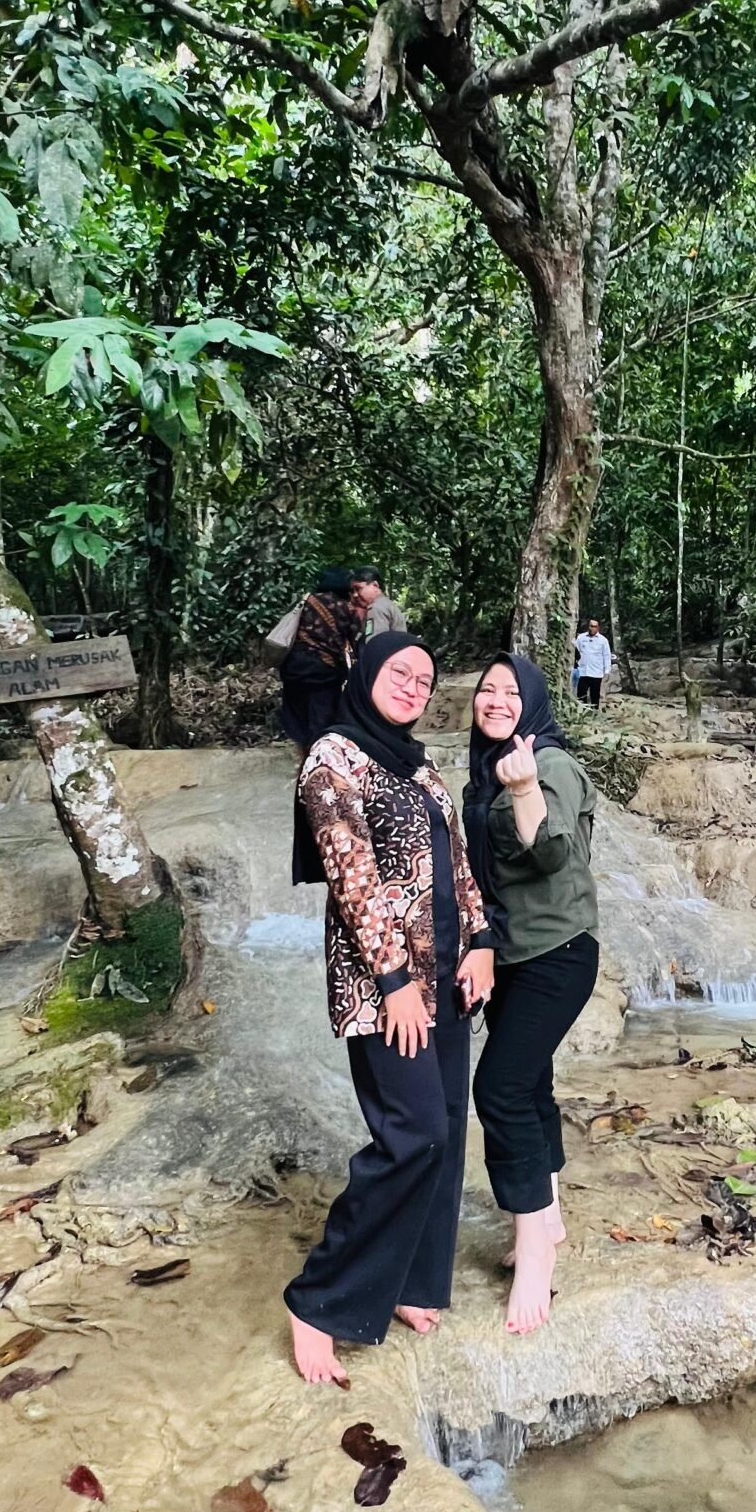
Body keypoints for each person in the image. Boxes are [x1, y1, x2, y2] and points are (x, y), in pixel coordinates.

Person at [285, 631, 495, 1385]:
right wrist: (395, 980)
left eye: (425, 680)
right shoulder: (333, 758)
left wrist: (481, 941)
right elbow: (353, 878)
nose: (413, 686)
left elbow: (457, 862)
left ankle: (410, 1281)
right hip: (386, 987)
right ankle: (318, 1301)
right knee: (411, 1135)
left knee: (446, 1129)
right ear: (367, 673)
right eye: (400, 672)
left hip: (449, 973)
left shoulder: (420, 765)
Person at [464, 655, 600, 1335]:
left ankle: (536, 1252)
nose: (495, 700)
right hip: (511, 952)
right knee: (531, 1083)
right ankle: (549, 1217)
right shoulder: (484, 769)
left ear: (535, 702)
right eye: (486, 689)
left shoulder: (550, 766)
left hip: (557, 953)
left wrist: (521, 790)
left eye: (510, 691)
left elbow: (550, 852)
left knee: (499, 1090)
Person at [281, 569, 362, 885]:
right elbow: (354, 637)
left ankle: (303, 751)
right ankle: (316, 763)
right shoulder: (342, 608)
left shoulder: (306, 602)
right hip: (323, 673)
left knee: (298, 716)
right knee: (321, 721)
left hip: (293, 672)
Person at [351, 566, 407, 641]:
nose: (355, 595)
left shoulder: (376, 608)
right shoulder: (387, 604)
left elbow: (374, 643)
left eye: (358, 589)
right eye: (353, 590)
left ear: (375, 585)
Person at [573, 617, 612, 707]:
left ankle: (594, 712)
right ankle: (582, 711)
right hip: (583, 672)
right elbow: (576, 651)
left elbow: (606, 656)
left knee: (595, 696)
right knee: (581, 695)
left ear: (598, 628)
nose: (592, 628)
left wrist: (607, 671)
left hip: (596, 673)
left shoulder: (603, 641)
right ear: (588, 626)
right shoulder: (581, 637)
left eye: (595, 626)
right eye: (591, 626)